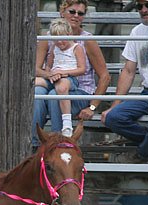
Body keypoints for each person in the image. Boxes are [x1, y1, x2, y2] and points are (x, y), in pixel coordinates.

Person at [102, 0, 148, 164]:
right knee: (112, 117)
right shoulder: (137, 32)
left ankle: (142, 155)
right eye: (139, 6)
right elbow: (128, 71)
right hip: (147, 93)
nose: (144, 10)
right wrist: (115, 103)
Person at [33, 0, 111, 145]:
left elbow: (105, 76)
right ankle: (33, 144)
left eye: (80, 13)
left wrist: (92, 106)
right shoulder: (49, 38)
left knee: (55, 95)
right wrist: (50, 74)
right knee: (37, 91)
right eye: (72, 12)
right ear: (62, 13)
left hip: (79, 91)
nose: (76, 16)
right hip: (55, 82)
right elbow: (36, 69)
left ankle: (59, 143)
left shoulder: (86, 41)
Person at [35, 18, 87, 137]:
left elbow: (82, 69)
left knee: (61, 88)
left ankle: (67, 123)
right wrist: (50, 74)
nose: (59, 42)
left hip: (68, 78)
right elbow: (49, 65)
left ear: (69, 34)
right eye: (56, 38)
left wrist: (64, 73)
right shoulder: (54, 48)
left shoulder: (76, 48)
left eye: (62, 38)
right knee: (35, 82)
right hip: (54, 77)